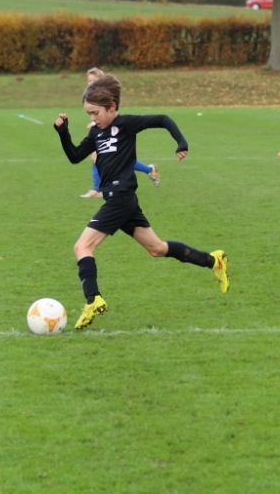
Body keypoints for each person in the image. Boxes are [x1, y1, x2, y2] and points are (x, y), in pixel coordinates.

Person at [54, 74, 229, 329]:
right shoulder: (97, 134)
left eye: (95, 113)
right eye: (89, 114)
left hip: (120, 199)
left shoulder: (126, 124)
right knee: (157, 248)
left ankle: (93, 300)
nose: (93, 118)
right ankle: (213, 260)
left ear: (112, 106)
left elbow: (162, 119)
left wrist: (181, 142)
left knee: (82, 247)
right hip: (123, 201)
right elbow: (74, 156)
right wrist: (63, 133)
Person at [81, 67, 160, 198]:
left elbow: (110, 115)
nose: (91, 83)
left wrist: (95, 125)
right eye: (89, 81)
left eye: (94, 81)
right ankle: (149, 170)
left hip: (112, 133)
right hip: (103, 133)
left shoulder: (106, 96)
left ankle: (98, 190)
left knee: (100, 158)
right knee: (115, 159)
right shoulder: (91, 98)